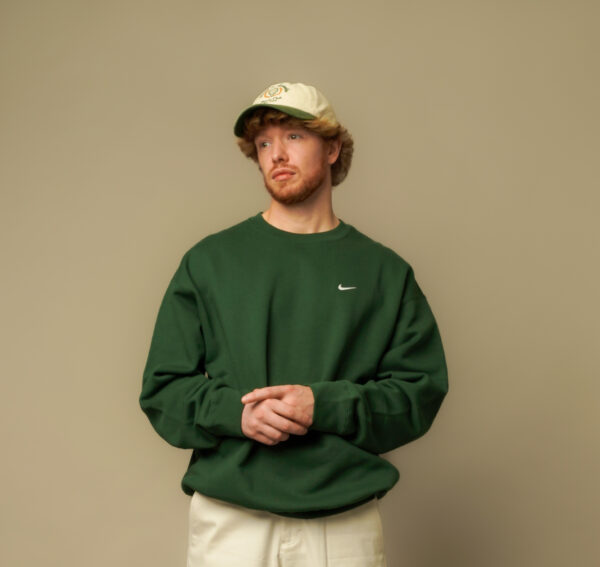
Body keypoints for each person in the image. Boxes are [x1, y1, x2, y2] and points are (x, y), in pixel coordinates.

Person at [140, 82, 448, 566]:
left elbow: (419, 393)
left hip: (343, 520)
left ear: (332, 148)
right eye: (264, 143)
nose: (276, 154)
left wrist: (322, 405)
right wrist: (235, 414)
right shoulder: (210, 261)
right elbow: (163, 389)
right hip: (231, 518)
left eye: (295, 137)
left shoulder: (383, 272)